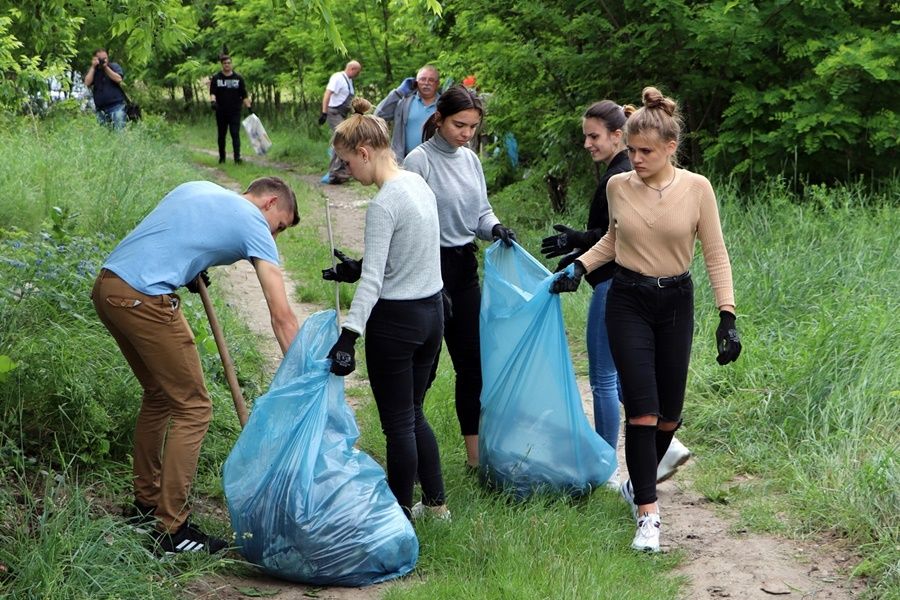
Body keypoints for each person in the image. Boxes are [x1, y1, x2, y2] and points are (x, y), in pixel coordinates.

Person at [550, 87, 742, 553]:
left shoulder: (697, 188)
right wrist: (579, 266)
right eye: (631, 150)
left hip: (676, 301)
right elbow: (613, 243)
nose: (635, 159)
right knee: (642, 410)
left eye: (645, 152)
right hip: (628, 299)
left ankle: (636, 482)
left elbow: (715, 254)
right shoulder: (619, 186)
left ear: (671, 148)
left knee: (669, 417)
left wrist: (727, 315)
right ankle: (648, 518)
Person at [92, 176, 300, 554]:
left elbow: (170, 237)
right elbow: (281, 315)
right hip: (144, 299)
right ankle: (172, 529)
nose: (275, 236)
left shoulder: (199, 188)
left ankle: (146, 507)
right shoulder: (254, 221)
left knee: (159, 395)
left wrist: (188, 270)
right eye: (280, 226)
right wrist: (303, 371)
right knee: (194, 408)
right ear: (269, 203)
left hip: (109, 287)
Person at [540, 101, 693, 486]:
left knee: (604, 378)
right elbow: (612, 235)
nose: (588, 144)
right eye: (585, 137)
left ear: (616, 135)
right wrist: (578, 258)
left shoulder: (627, 173)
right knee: (627, 378)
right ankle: (666, 447)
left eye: (594, 136)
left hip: (620, 287)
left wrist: (579, 243)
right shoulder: (617, 175)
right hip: (612, 280)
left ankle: (606, 465)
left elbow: (621, 237)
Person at [322, 98, 449, 520]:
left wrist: (347, 336)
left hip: (396, 325)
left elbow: (377, 282)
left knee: (398, 424)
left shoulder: (382, 203)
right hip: (432, 314)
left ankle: (398, 517)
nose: (346, 172)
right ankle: (436, 505)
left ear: (364, 153)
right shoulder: (417, 183)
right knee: (413, 413)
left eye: (346, 163)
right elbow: (408, 256)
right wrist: (356, 268)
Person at [403, 85, 516, 469]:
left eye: (472, 127)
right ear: (439, 119)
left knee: (473, 366)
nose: (466, 133)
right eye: (459, 124)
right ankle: (410, 446)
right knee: (426, 366)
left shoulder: (471, 161)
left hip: (465, 270)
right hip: (428, 271)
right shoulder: (418, 162)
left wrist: (496, 228)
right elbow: (408, 222)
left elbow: (481, 213)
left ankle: (474, 459)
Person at [375, 65, 441, 161]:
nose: (426, 83)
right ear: (416, 82)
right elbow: (379, 114)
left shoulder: (444, 105)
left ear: (437, 83)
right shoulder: (404, 102)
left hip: (435, 161)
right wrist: (398, 92)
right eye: (422, 79)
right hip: (404, 160)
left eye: (431, 80)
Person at [319, 60, 362, 184]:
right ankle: (334, 173)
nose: (357, 75)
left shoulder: (349, 81)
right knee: (342, 139)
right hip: (333, 113)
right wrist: (324, 112)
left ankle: (341, 170)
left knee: (346, 139)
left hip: (342, 114)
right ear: (352, 69)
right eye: (357, 72)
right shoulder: (338, 77)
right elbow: (327, 94)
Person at [210, 54, 251, 164]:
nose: (227, 65)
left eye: (229, 63)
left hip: (235, 111)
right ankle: (222, 158)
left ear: (231, 64)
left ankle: (237, 158)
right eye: (225, 63)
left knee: (235, 134)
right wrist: (213, 102)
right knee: (221, 135)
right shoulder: (216, 78)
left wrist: (249, 108)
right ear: (222, 65)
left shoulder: (238, 78)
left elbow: (244, 95)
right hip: (221, 111)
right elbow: (213, 93)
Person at [84, 48, 127, 130]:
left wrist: (105, 68)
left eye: (105, 58)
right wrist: (93, 67)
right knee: (104, 135)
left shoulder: (114, 66)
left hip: (116, 106)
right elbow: (87, 83)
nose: (103, 60)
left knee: (119, 132)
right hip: (101, 109)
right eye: (101, 59)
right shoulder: (93, 71)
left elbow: (118, 79)